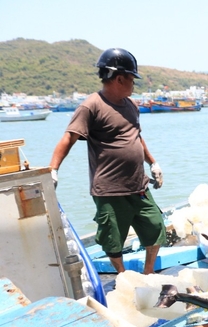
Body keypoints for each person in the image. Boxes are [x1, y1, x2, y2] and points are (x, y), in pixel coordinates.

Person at [49, 48, 165, 274]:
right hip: (109, 189)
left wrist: (153, 163)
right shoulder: (91, 106)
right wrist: (53, 170)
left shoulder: (131, 105)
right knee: (112, 239)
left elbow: (136, 137)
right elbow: (68, 138)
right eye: (132, 79)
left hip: (138, 185)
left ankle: (148, 271)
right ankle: (122, 276)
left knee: (155, 225)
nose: (133, 84)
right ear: (119, 78)